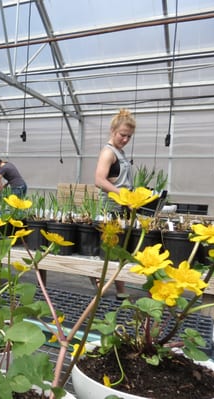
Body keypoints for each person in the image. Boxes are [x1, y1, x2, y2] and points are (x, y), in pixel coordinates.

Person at [94, 108, 136, 300]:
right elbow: (99, 180)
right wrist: (124, 194)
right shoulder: (108, 153)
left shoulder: (120, 152)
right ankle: (100, 286)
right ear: (113, 131)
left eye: (129, 136)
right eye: (122, 135)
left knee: (119, 249)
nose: (125, 139)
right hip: (110, 208)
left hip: (123, 207)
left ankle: (119, 290)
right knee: (108, 249)